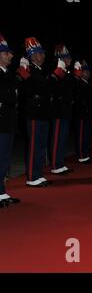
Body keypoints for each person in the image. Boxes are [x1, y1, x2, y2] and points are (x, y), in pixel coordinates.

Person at [16, 37, 52, 187]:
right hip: (34, 113)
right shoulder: (28, 70)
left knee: (42, 144)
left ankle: (38, 173)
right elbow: (31, 89)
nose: (43, 55)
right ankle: (32, 176)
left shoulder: (40, 70)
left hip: (42, 112)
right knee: (35, 145)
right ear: (34, 55)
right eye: (41, 53)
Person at [0, 33, 21, 208]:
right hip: (0, 121)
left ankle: (1, 191)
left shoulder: (8, 74)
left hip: (8, 121)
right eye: (7, 53)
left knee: (5, 158)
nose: (11, 55)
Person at [48, 44, 76, 175]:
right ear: (61, 58)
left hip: (65, 110)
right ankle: (55, 164)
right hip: (58, 110)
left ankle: (60, 162)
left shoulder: (66, 72)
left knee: (63, 138)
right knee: (57, 138)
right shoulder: (56, 71)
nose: (70, 59)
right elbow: (54, 88)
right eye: (67, 57)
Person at [73, 59, 92, 164]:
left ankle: (85, 154)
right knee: (81, 135)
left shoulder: (86, 84)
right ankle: (82, 155)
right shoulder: (79, 83)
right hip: (81, 114)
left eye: (88, 71)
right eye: (85, 71)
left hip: (86, 114)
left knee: (86, 135)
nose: (88, 73)